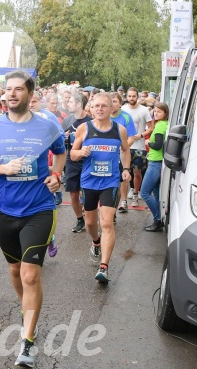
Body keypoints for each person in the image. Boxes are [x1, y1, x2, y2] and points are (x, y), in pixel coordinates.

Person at [0, 70, 66, 368]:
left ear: (29, 93)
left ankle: (27, 341)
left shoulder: (46, 125)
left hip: (38, 209)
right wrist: (4, 169)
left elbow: (60, 154)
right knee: (15, 272)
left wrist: (56, 175)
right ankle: (28, 312)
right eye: (7, 90)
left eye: (17, 89)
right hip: (4, 210)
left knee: (30, 275)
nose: (11, 94)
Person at [70, 92, 132, 284]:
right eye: (96, 106)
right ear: (91, 107)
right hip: (89, 182)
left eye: (104, 106)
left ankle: (104, 266)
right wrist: (80, 152)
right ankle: (96, 242)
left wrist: (127, 169)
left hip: (110, 182)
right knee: (90, 224)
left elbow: (125, 149)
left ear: (111, 108)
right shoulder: (84, 128)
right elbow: (72, 154)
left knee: (106, 223)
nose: (100, 109)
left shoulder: (119, 130)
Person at [61, 93, 91, 232]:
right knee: (73, 193)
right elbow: (60, 142)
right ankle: (80, 220)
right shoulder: (67, 120)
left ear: (79, 104)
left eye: (71, 101)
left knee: (88, 191)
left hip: (88, 160)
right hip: (71, 160)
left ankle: (92, 216)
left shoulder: (91, 122)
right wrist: (64, 137)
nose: (68, 103)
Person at [122, 87, 154, 207]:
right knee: (125, 172)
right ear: (126, 97)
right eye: (129, 96)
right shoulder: (123, 109)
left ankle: (136, 194)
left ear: (138, 97)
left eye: (133, 96)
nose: (131, 98)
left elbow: (151, 128)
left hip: (139, 146)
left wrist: (141, 135)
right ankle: (124, 200)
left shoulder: (144, 110)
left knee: (137, 172)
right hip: (125, 146)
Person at [140, 102, 168, 232]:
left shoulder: (160, 126)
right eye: (155, 111)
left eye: (159, 112)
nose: (156, 113)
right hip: (157, 162)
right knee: (156, 194)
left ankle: (158, 219)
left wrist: (147, 142)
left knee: (144, 192)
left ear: (165, 113)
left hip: (155, 163)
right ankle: (158, 219)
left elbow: (157, 145)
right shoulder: (162, 124)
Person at [110, 92, 137, 213]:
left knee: (121, 180)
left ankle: (122, 202)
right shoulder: (102, 116)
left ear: (120, 104)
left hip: (120, 154)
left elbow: (131, 137)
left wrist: (124, 146)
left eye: (115, 101)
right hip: (106, 155)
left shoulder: (126, 117)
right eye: (110, 101)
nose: (112, 104)